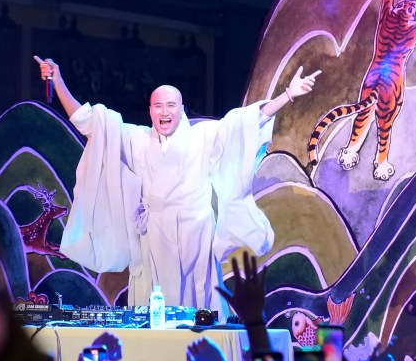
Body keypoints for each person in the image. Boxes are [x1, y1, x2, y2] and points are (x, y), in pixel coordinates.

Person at [34, 55, 321, 317]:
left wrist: (287, 95)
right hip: (154, 233)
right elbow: (91, 123)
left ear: (181, 109)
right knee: (156, 302)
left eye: (171, 105)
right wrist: (58, 82)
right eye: (158, 106)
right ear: (150, 111)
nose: (164, 112)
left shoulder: (203, 136)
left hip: (194, 232)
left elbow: (245, 122)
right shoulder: (137, 140)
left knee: (197, 302)